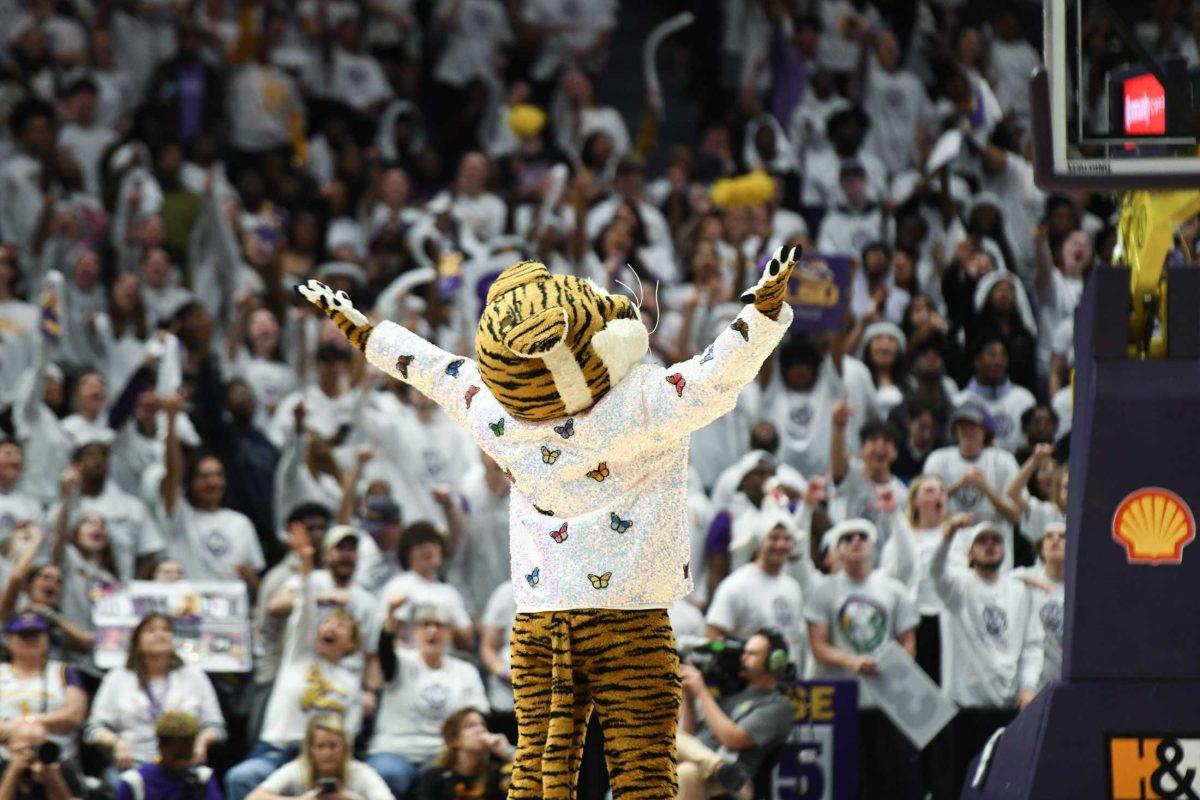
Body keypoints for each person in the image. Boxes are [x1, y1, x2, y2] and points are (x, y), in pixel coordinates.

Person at [225, 526, 362, 800]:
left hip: (323, 758)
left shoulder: (350, 681)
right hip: (278, 748)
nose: (330, 627)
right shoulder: (299, 655)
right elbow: (306, 610)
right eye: (327, 622)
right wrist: (306, 567)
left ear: (352, 643)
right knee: (242, 777)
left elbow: (350, 732)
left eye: (340, 625)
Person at [805, 518, 920, 799]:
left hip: (885, 702)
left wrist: (892, 666)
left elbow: (908, 640)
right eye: (847, 538)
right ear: (837, 551)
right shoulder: (824, 590)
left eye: (862, 536)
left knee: (889, 780)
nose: (856, 541)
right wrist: (850, 662)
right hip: (841, 702)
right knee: (847, 782)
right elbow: (818, 646)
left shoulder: (893, 589)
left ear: (872, 547)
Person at [931, 515, 1043, 797]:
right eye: (982, 541)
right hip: (964, 710)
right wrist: (948, 535)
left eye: (996, 540)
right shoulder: (958, 589)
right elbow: (936, 570)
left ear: (1005, 551)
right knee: (958, 786)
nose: (990, 545)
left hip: (1007, 707)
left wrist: (1028, 687)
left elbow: (1032, 643)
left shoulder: (1019, 590)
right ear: (970, 553)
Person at [85, 613, 226, 787]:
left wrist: (201, 741)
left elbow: (215, 725)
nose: (160, 634)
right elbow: (94, 729)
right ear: (137, 641)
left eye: (166, 629)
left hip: (183, 764)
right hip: (132, 765)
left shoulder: (193, 675)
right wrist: (117, 742)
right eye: (151, 630)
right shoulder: (118, 677)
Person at [367, 604, 491, 797]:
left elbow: (478, 714)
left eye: (440, 625)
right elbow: (385, 651)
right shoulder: (400, 661)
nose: (432, 631)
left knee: (445, 776)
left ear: (450, 633)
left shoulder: (466, 671)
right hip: (395, 750)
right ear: (415, 632)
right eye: (425, 624)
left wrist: (453, 743)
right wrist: (390, 619)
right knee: (391, 775)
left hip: (441, 752)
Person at [676, 629, 795, 800]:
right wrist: (688, 694)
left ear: (774, 662)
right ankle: (716, 766)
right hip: (701, 771)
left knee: (680, 758)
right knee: (681, 764)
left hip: (736, 785)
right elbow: (690, 737)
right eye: (744, 652)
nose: (743, 658)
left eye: (752, 654)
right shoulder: (727, 698)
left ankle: (717, 767)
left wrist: (702, 692)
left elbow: (733, 739)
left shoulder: (777, 705)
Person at [923, 400, 1020, 571]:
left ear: (985, 430)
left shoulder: (1004, 461)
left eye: (974, 426)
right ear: (955, 430)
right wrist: (960, 484)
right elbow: (925, 509)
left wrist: (986, 489)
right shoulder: (937, 460)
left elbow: (1014, 516)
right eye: (962, 426)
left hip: (994, 544)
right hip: (951, 544)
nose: (968, 431)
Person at [705, 510, 806, 664]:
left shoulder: (793, 587)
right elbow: (712, 639)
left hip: (784, 681)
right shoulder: (737, 585)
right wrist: (737, 653)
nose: (780, 544)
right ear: (760, 541)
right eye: (774, 538)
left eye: (787, 539)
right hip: (746, 683)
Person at [0, 611, 88, 778]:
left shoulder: (63, 671)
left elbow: (75, 716)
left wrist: (26, 722)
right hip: (5, 755)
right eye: (24, 635)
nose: (31, 640)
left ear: (48, 638)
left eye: (36, 634)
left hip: (56, 756)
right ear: (9, 640)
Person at [245, 714, 390, 800]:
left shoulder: (360, 772)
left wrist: (351, 799)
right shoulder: (297, 769)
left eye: (333, 746)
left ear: (345, 747)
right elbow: (253, 798)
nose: (327, 753)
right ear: (310, 749)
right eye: (320, 746)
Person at [115, 711, 223, 800]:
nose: (183, 763)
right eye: (178, 757)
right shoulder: (135, 783)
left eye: (188, 756)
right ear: (161, 747)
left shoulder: (203, 779)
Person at [414, 708, 514, 800]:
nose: (480, 730)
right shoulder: (434, 777)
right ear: (455, 739)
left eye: (483, 724)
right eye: (471, 726)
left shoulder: (495, 773)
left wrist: (507, 751)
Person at [0, 720, 77, 800]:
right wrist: (13, 773)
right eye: (25, 748)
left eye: (37, 748)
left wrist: (52, 779)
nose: (32, 753)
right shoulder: (2, 768)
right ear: (10, 747)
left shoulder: (62, 768)